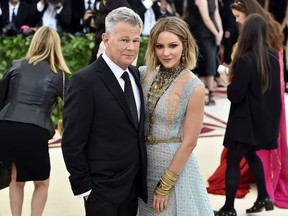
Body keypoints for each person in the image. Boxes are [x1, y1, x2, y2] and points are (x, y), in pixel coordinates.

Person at [61, 7, 147, 216]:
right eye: (124, 40)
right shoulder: (84, 81)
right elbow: (72, 141)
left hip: (133, 186)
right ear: (106, 39)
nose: (131, 47)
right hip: (102, 191)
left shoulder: (135, 74)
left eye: (136, 41)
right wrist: (85, 188)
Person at [208, 0, 288, 209]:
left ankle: (228, 208)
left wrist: (228, 81)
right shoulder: (271, 56)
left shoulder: (245, 60)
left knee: (233, 163)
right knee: (252, 156)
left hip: (243, 123)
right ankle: (264, 198)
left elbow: (235, 95)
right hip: (261, 123)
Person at [137, 16, 213, 215]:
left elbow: (189, 142)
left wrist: (165, 185)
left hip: (172, 170)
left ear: (185, 45)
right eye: (159, 46)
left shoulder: (193, 86)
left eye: (173, 45)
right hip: (142, 168)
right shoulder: (143, 74)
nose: (166, 53)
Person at [0, 26, 70, 216]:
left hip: (6, 127)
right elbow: (73, 108)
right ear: (56, 46)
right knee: (42, 182)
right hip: (34, 130)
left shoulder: (16, 65)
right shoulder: (61, 75)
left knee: (16, 178)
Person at [184, 0, 223, 106]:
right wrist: (216, 33)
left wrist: (221, 31)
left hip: (213, 33)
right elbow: (206, 19)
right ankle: (205, 93)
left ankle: (209, 92)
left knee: (212, 61)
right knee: (206, 63)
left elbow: (216, 14)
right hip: (202, 33)